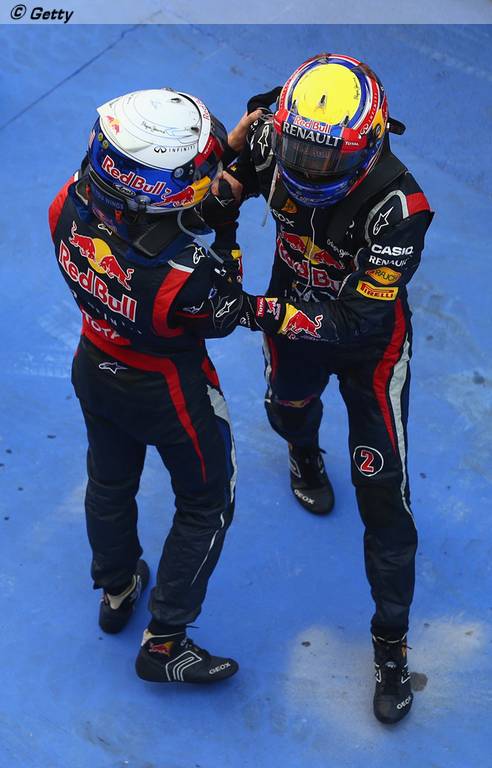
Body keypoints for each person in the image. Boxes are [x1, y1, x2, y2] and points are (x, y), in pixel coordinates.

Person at [211, 53, 434, 723]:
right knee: (285, 410)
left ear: (367, 145)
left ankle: (390, 646)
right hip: (291, 319)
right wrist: (224, 171)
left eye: (324, 157)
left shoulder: (400, 208)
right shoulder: (271, 135)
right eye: (298, 150)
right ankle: (304, 452)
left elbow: (353, 317)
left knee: (385, 496)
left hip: (369, 346)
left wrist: (252, 309)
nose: (306, 168)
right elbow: (219, 192)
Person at [48, 87, 260, 685]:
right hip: (169, 396)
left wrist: (225, 151)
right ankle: (165, 643)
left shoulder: (66, 202)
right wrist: (227, 228)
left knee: (109, 482)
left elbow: (144, 213)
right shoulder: (187, 278)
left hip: (94, 366)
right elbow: (226, 310)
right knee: (207, 503)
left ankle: (117, 589)